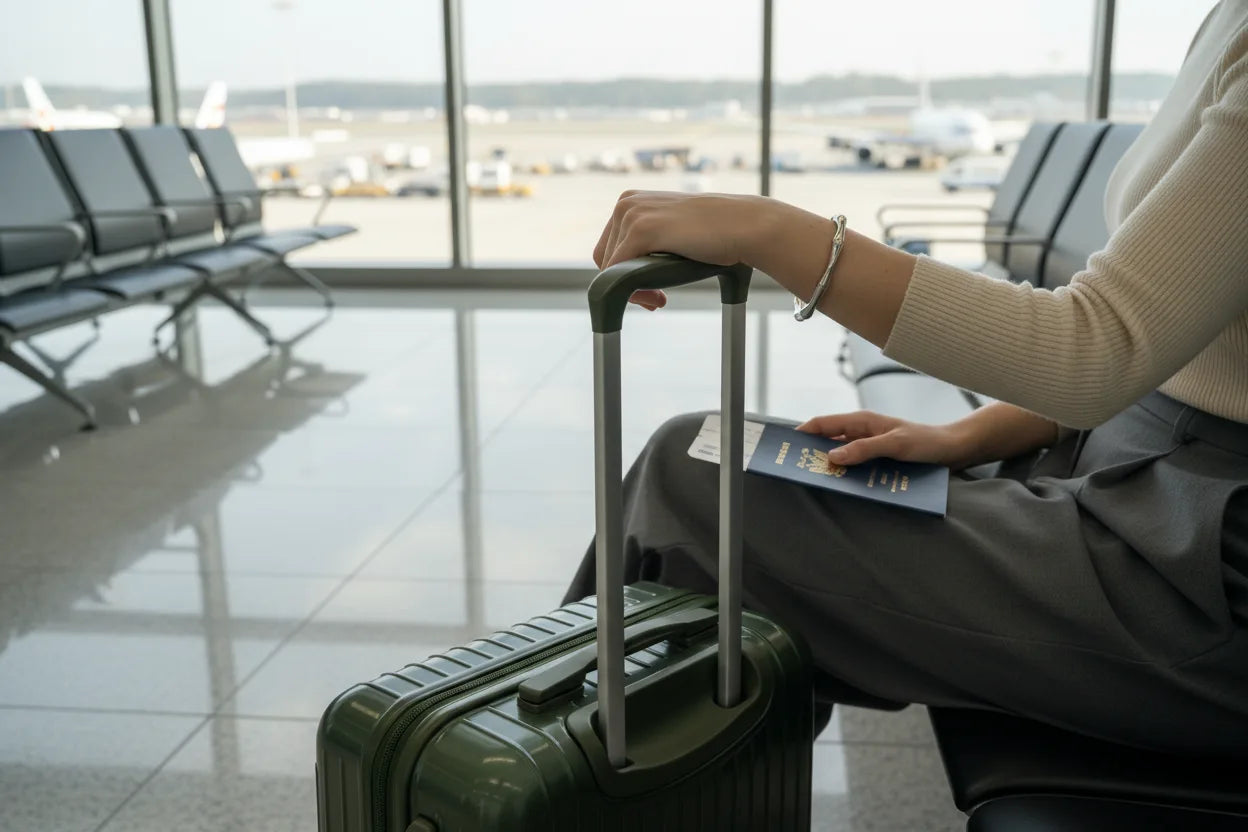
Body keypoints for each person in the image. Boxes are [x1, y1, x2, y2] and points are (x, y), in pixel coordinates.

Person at [563, 1, 1248, 756]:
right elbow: (1164, 349)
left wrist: (770, 232)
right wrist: (963, 435)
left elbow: (1098, 348)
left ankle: (530, 755)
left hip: (1200, 571)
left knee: (695, 481)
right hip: (1127, 465)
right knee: (721, 461)